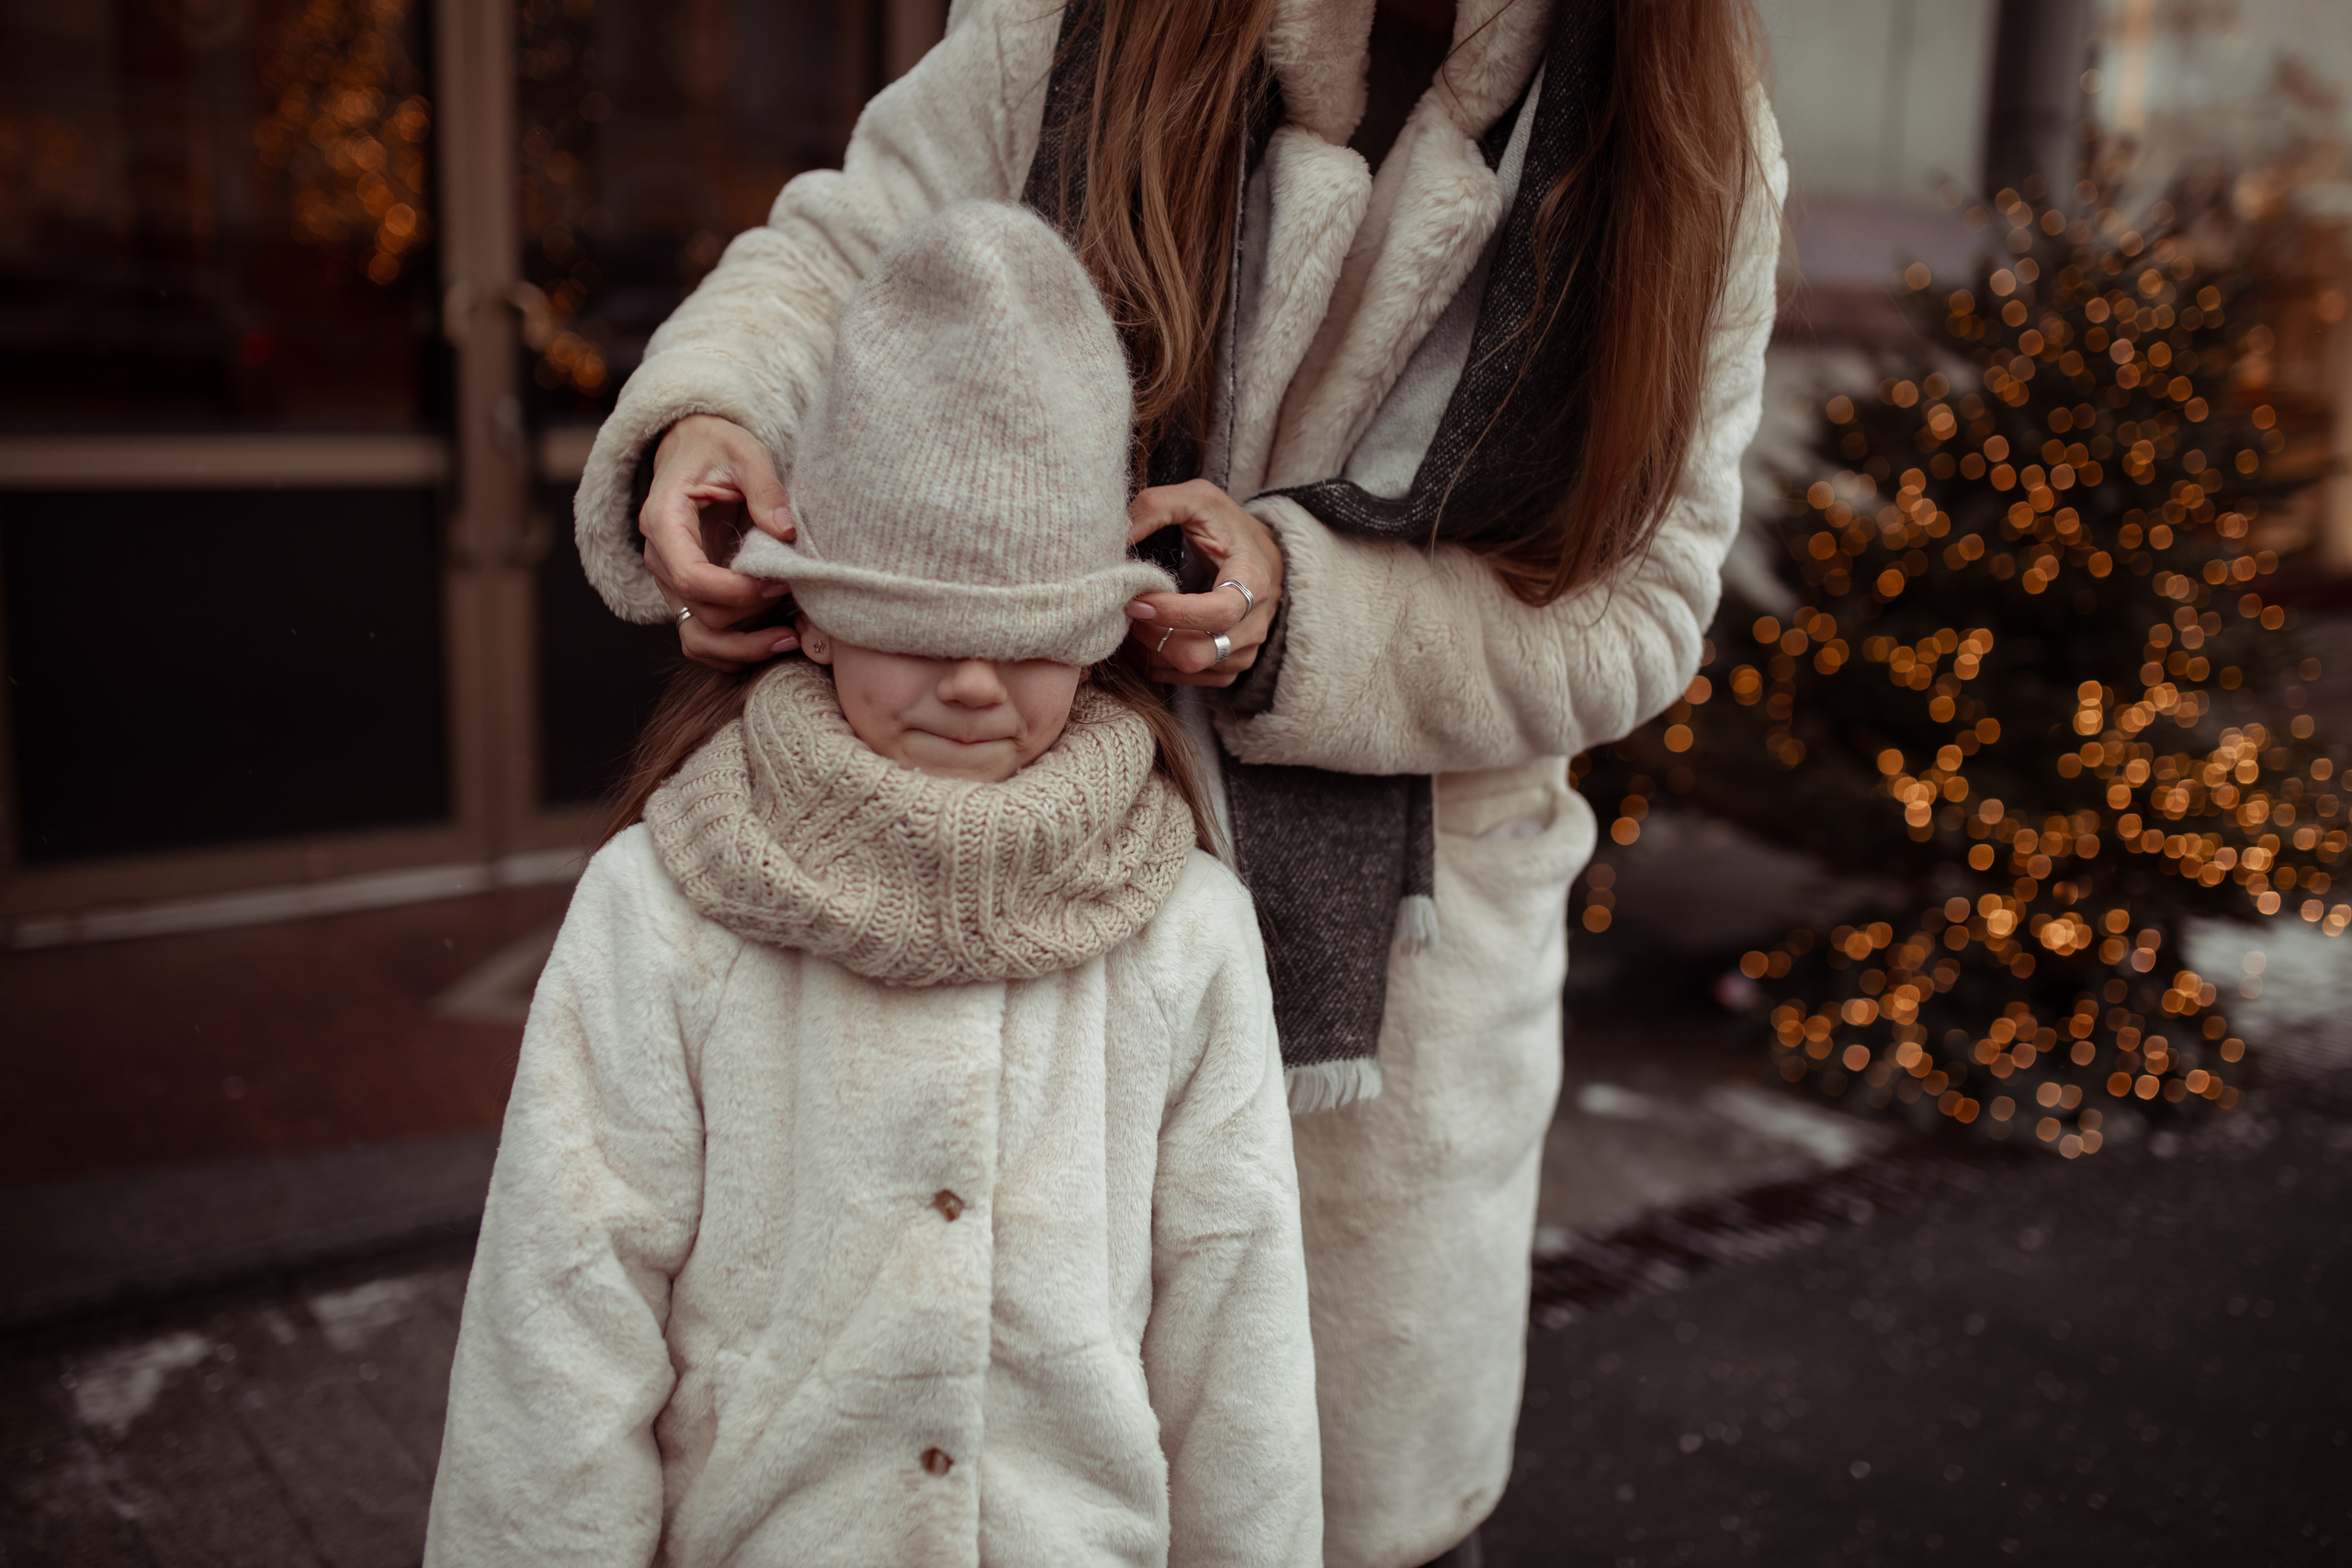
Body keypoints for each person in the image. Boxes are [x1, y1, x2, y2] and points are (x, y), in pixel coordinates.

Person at [571, 2, 1786, 1562]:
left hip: (1394, 999)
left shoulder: (1686, 130)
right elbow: (858, 250)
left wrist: (1306, 608)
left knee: (1331, 1510)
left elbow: (1638, 612)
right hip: (1003, 857)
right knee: (965, 1479)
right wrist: (715, 412)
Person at [425, 202, 1323, 1567]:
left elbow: (1236, 1319)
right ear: (817, 607)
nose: (971, 682)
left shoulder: (1182, 931)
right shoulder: (661, 908)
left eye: (1024, 637)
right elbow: (563, 1308)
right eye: (916, 628)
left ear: (1099, 632)